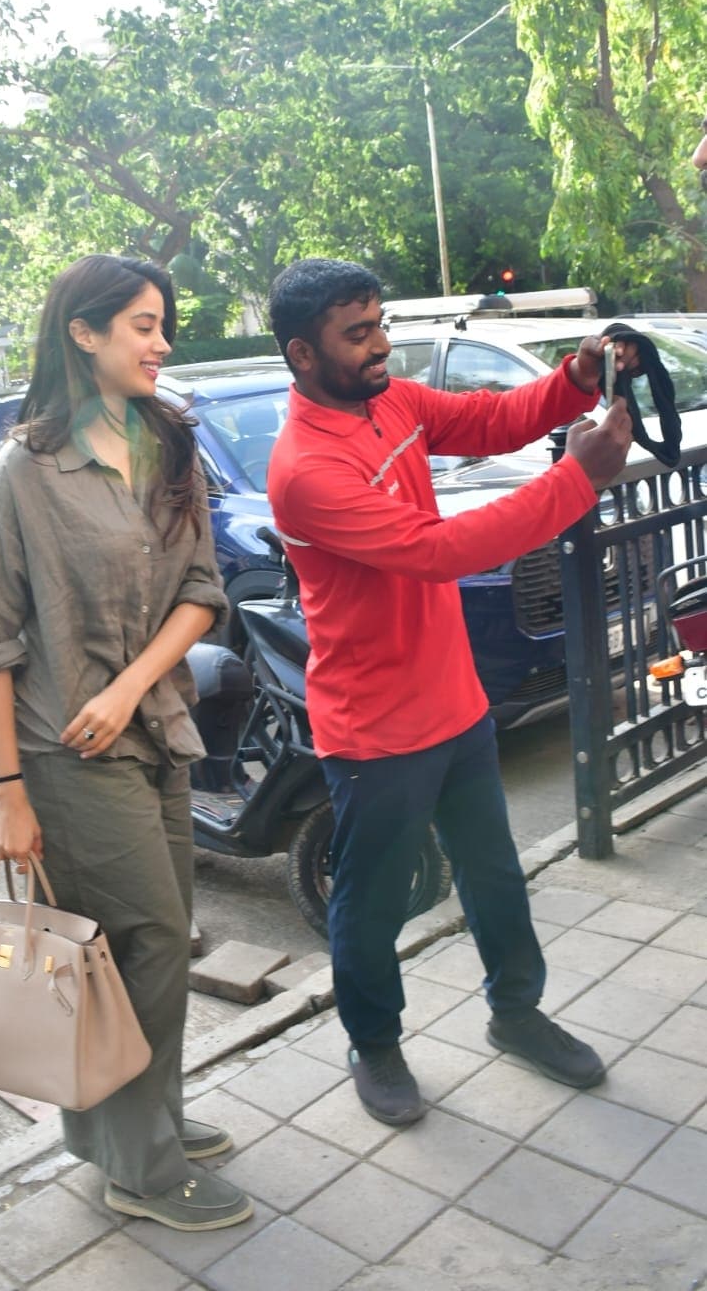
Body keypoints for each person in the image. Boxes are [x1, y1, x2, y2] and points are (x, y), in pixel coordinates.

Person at [266, 258, 636, 1128]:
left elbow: (488, 419)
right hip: (375, 728)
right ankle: (377, 1042)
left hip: (455, 700)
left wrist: (574, 381)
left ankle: (516, 1012)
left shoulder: (389, 401)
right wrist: (578, 478)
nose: (380, 345)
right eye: (357, 335)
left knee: (495, 875)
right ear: (303, 354)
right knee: (373, 900)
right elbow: (439, 550)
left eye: (380, 323)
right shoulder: (305, 470)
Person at [0, 254, 253, 1232]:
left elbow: (203, 590)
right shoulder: (26, 471)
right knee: (150, 939)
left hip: (155, 725)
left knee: (151, 942)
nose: (161, 342)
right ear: (82, 333)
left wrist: (128, 687)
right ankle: (139, 1164)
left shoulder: (171, 444)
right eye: (141, 324)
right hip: (62, 753)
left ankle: (138, 1121)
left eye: (162, 323)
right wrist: (8, 794)